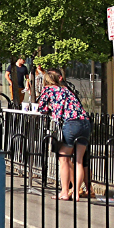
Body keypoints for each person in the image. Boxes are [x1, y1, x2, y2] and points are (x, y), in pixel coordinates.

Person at [37, 68, 92, 201]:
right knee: (78, 160)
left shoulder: (48, 90)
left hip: (71, 124)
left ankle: (64, 192)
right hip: (85, 123)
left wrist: (50, 109)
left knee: (63, 158)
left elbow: (41, 108)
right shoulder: (67, 89)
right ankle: (77, 194)